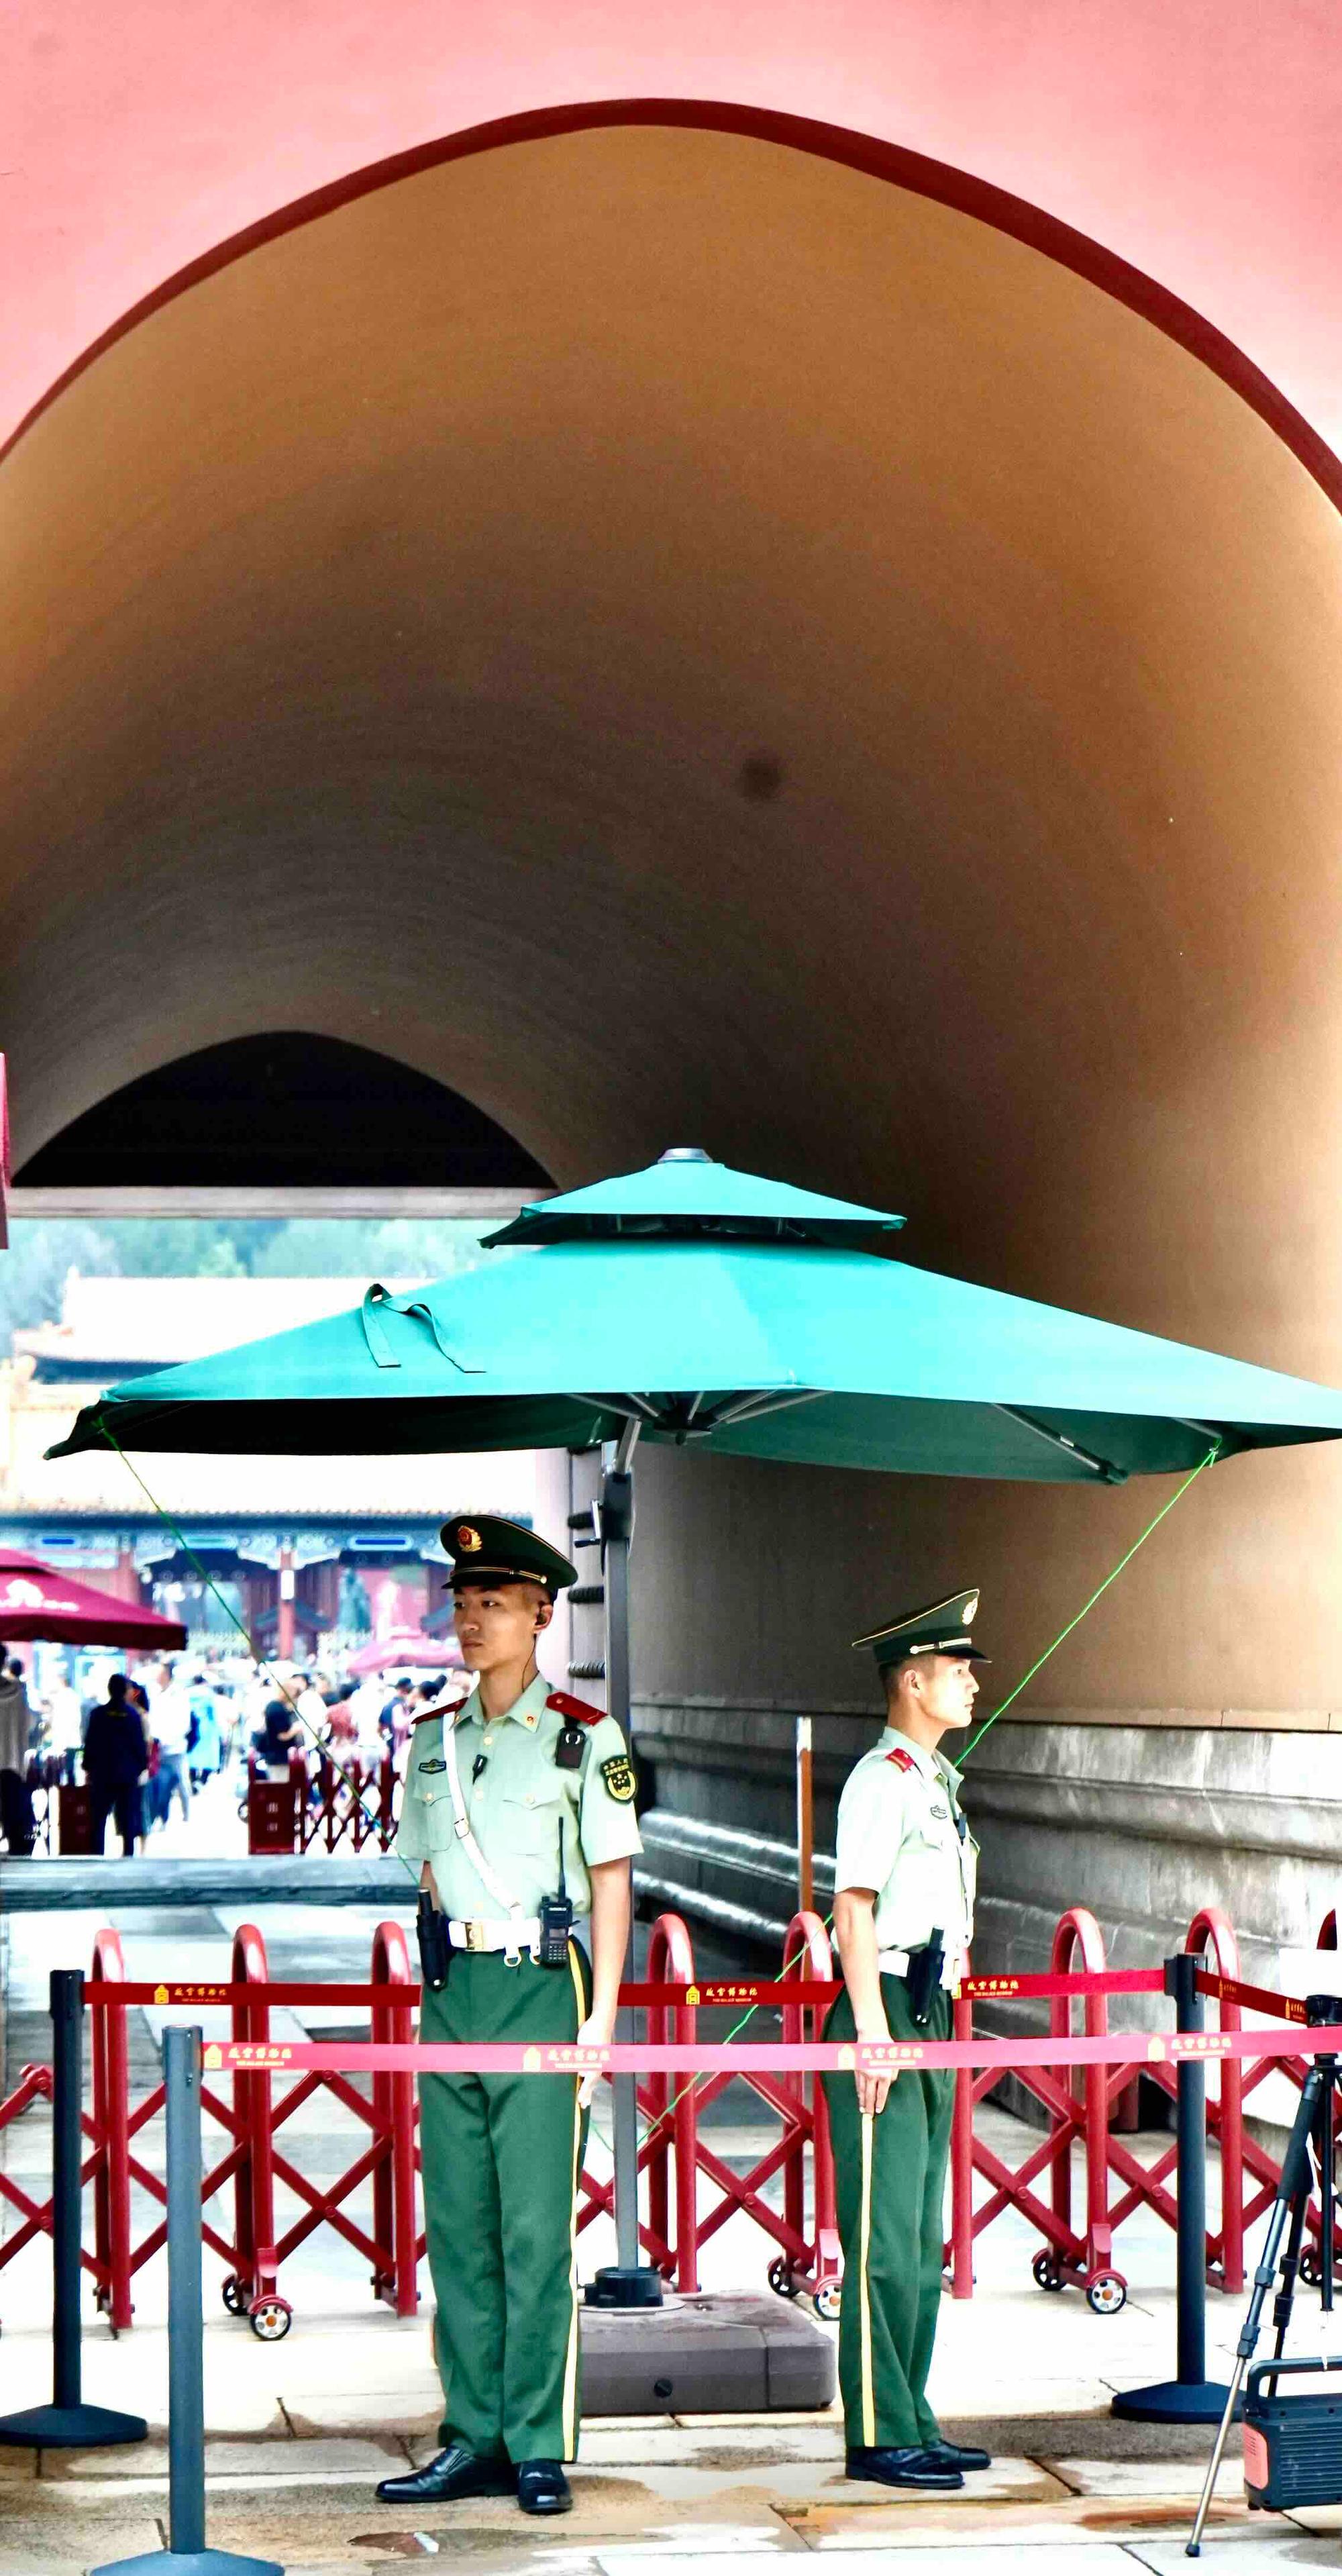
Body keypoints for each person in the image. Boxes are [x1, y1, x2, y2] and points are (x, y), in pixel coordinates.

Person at [376, 1515, 642, 2521]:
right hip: (454, 1993)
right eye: (460, 1601)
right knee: (459, 2224)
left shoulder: (584, 1736)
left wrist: (601, 2020)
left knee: (535, 2226)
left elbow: (611, 1885)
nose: (469, 1619)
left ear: (540, 1613)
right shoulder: (430, 1740)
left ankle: (536, 2438)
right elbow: (428, 1866)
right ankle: (471, 2433)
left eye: (492, 1602)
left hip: (543, 1985)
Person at [821, 1589, 990, 2493]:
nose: (970, 1685)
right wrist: (874, 2032)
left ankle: (913, 2414)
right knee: (884, 2238)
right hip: (884, 2001)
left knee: (919, 2235)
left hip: (929, 2003)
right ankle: (878, 2430)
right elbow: (853, 1907)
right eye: (957, 1671)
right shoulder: (880, 1781)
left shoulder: (934, 1782)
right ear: (914, 1681)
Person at [83, 1673, 148, 1856]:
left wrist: (88, 1767)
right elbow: (139, 1746)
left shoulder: (98, 1715)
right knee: (128, 1819)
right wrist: (140, 1768)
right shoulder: (133, 1716)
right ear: (125, 1692)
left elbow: (91, 1744)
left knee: (98, 1820)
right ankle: (128, 1855)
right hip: (127, 1777)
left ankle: (97, 1855)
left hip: (102, 1775)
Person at [0, 1644, 37, 1856]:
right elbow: (29, 1724)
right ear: (4, 1662)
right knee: (14, 1817)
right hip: (11, 1763)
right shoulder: (18, 1691)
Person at [148, 1661, 194, 1824]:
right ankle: (160, 1816)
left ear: (166, 1675)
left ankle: (186, 1813)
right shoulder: (154, 1693)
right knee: (159, 1783)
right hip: (157, 1748)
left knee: (181, 1782)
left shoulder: (179, 1694)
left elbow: (184, 1723)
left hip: (175, 1747)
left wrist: (168, 1739)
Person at [47, 1668, 87, 1787]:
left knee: (60, 1769)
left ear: (62, 1681)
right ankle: (71, 1794)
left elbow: (57, 1719)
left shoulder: (60, 1697)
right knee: (70, 1770)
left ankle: (62, 1794)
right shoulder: (75, 1696)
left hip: (63, 1739)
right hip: (72, 1739)